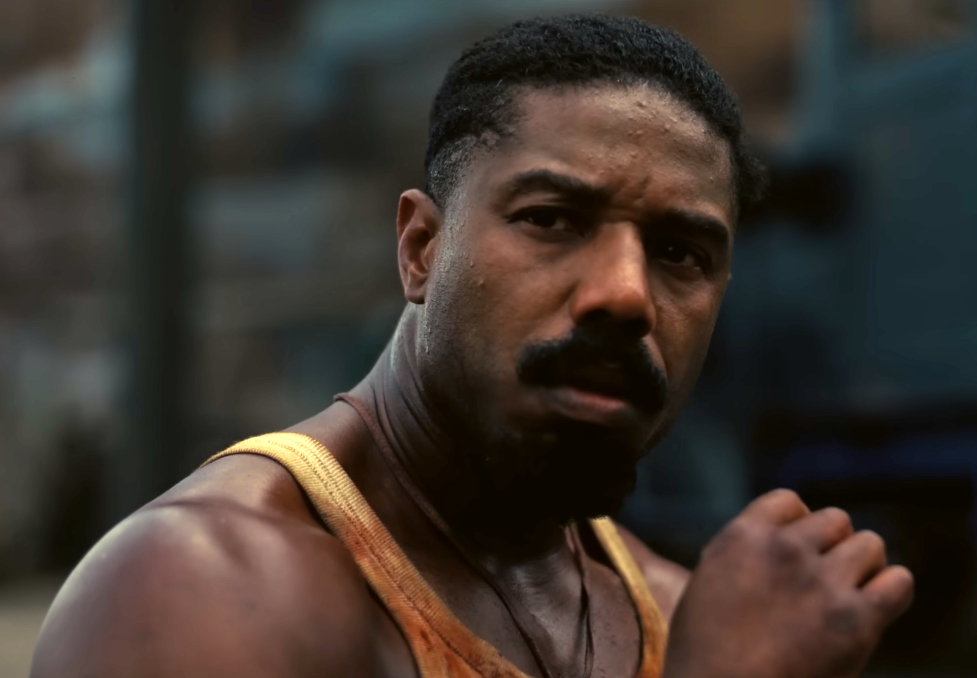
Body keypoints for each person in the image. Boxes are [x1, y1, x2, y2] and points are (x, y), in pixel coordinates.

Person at [31, 14, 913, 678]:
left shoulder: (676, 613)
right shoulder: (200, 586)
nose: (625, 294)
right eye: (552, 219)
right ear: (421, 248)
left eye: (681, 253)